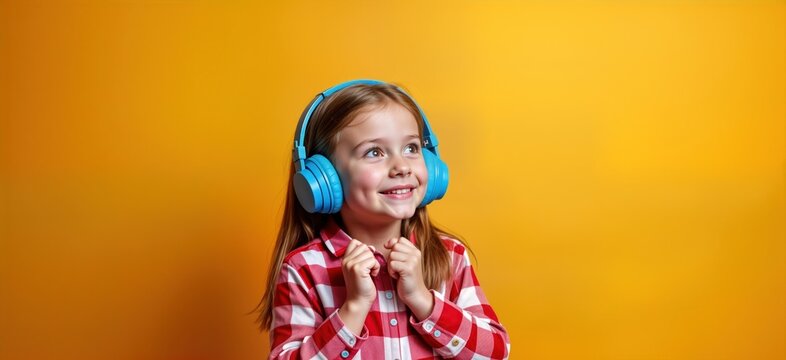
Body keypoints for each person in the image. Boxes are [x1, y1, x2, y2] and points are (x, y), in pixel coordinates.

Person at [255, 79, 510, 359]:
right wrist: (353, 309)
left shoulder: (449, 257)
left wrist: (422, 300)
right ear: (325, 179)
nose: (401, 167)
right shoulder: (304, 270)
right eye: (374, 152)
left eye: (411, 148)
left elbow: (495, 353)